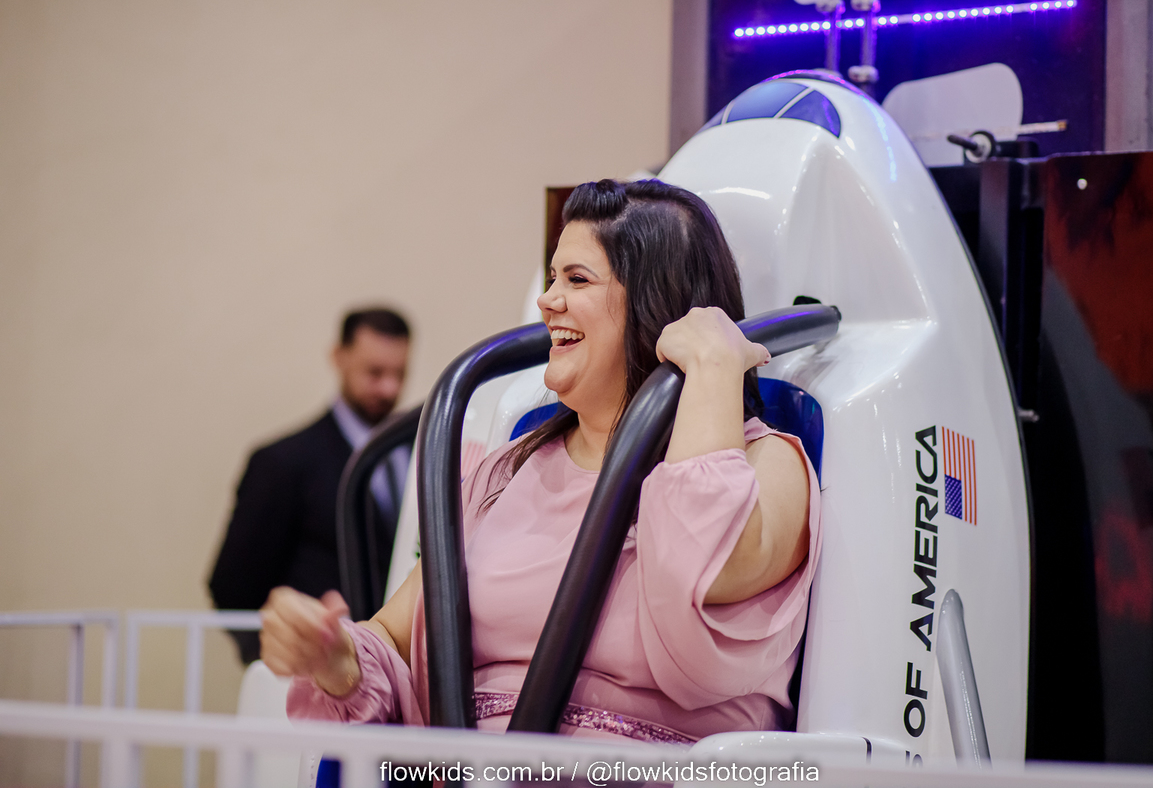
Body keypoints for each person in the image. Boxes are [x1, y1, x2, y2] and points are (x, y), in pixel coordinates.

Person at [262, 180, 821, 742]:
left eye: (577, 279)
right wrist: (335, 658)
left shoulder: (767, 464)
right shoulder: (508, 471)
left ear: (659, 304)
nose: (548, 300)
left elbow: (703, 567)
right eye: (553, 277)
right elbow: (392, 639)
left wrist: (711, 365)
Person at [209, 308, 412, 665]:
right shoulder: (283, 463)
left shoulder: (423, 452)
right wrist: (280, 661)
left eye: (399, 374)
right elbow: (233, 587)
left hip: (408, 669)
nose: (389, 388)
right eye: (374, 372)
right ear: (339, 357)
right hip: (320, 672)